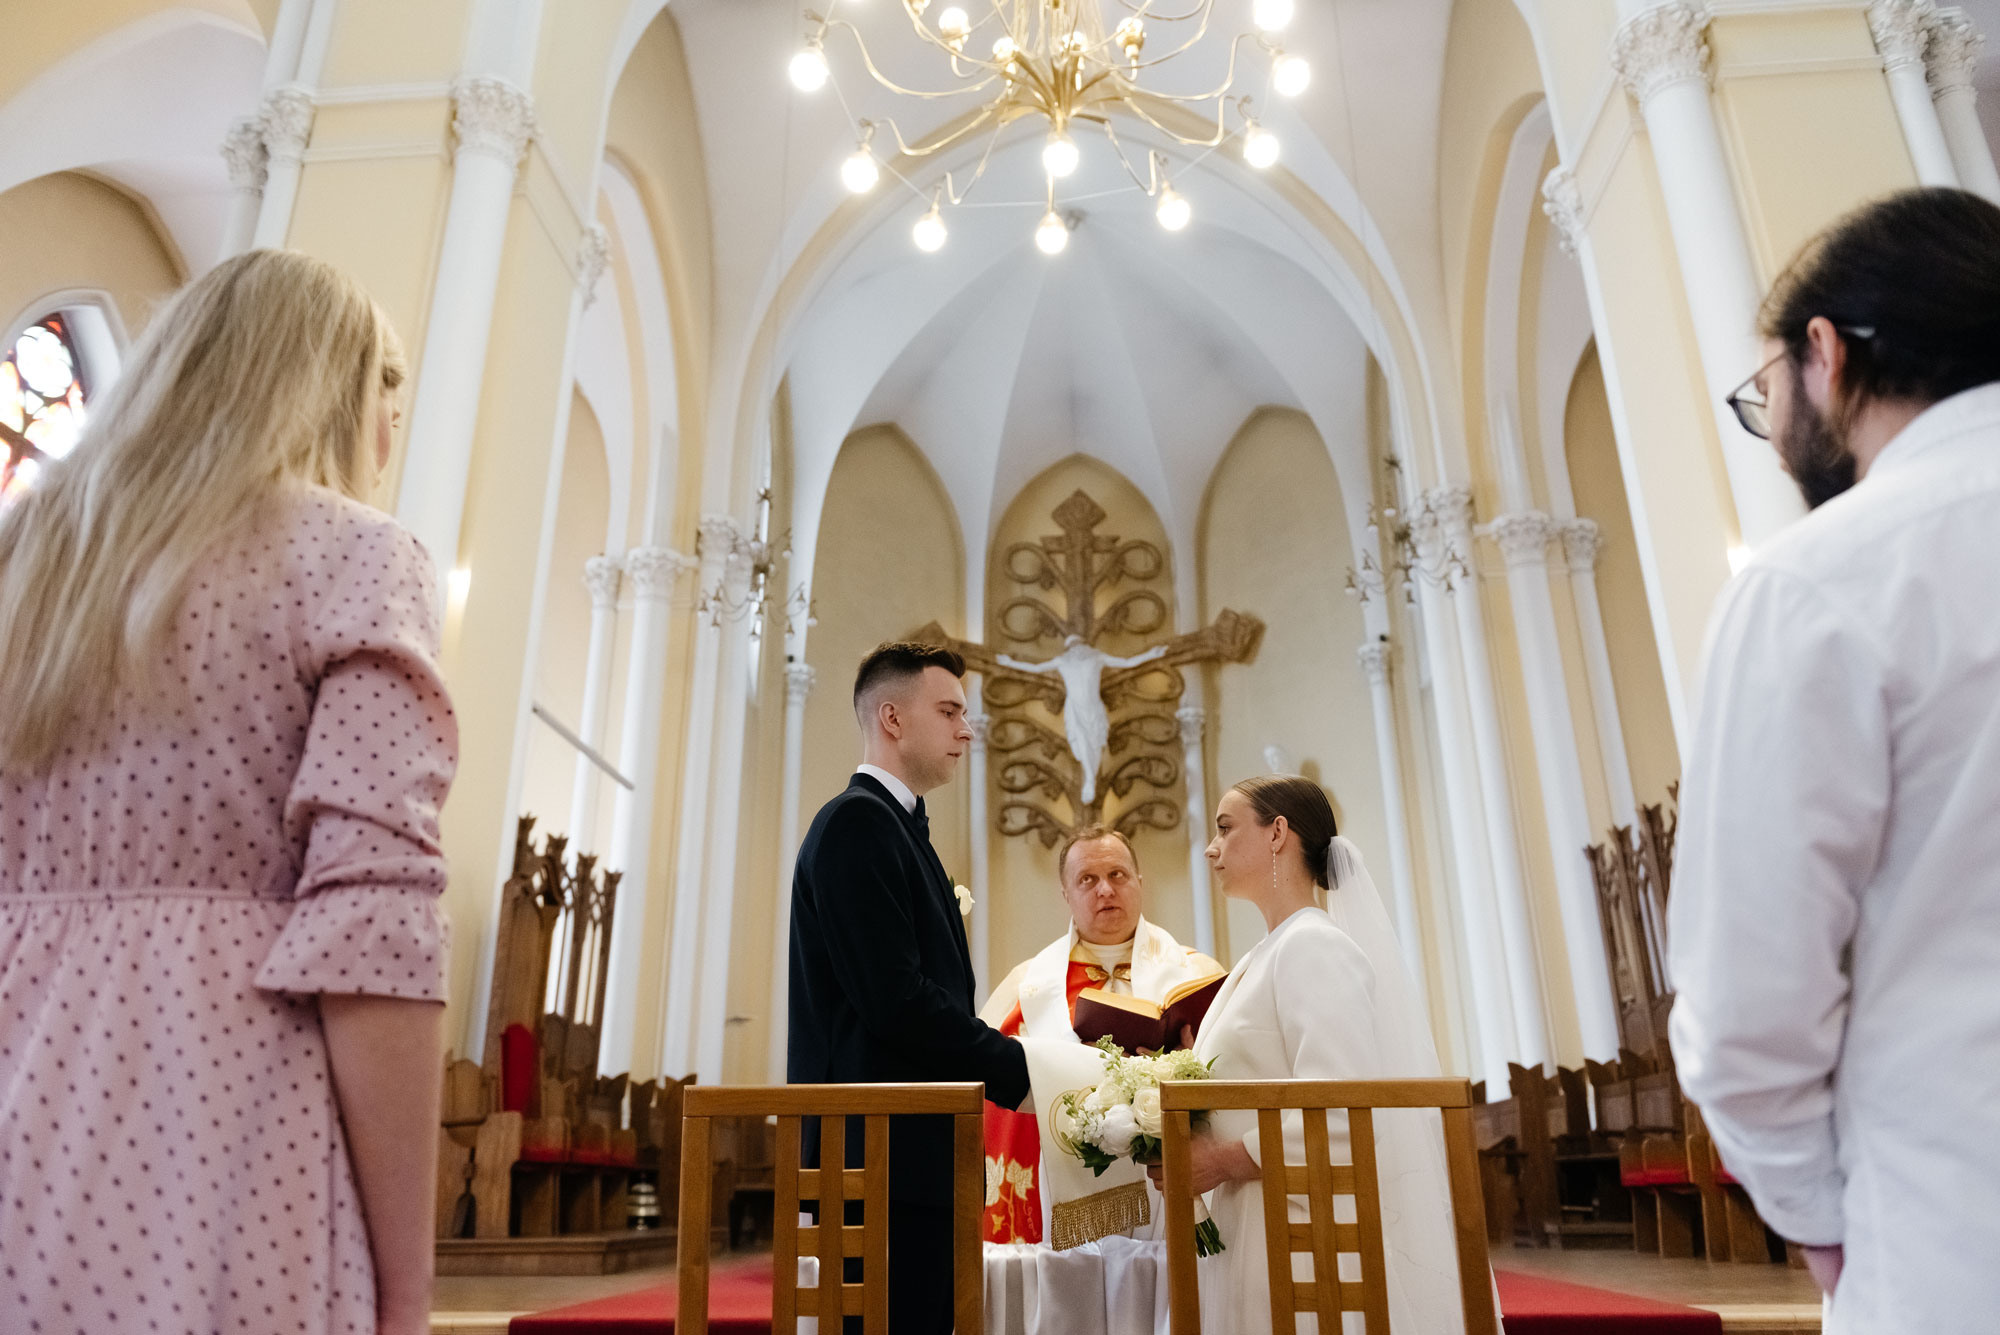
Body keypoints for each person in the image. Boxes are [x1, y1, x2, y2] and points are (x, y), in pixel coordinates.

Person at [0, 249, 456, 1335]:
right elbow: (371, 931)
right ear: (337, 398)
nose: (386, 440)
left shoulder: (22, 557)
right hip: (217, 1102)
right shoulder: (352, 555)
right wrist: (407, 1286)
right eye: (387, 407)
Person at [1668, 187, 2000, 1332]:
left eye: (1763, 392)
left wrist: (1814, 1220)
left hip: (1957, 1227)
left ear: (1826, 353)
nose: (1771, 440)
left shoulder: (1816, 583)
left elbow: (1744, 1006)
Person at [1152, 776, 1474, 1334]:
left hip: (1295, 1236)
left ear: (1277, 833)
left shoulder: (1313, 946)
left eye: (1226, 829)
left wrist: (1222, 1159)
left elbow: (1340, 1110)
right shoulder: (1265, 952)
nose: (1211, 848)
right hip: (1253, 1217)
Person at [788, 640, 1031, 1334]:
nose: (966, 729)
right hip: (876, 1155)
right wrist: (1019, 1069)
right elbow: (895, 999)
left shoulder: (896, 827)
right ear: (892, 718)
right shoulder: (857, 823)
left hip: (912, 1150)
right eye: (950, 711)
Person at [977, 824, 1220, 1244]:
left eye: (1117, 875)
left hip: (1171, 1176)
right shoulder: (1027, 988)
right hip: (1058, 1189)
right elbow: (990, 1092)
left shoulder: (1197, 975)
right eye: (1087, 880)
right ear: (1066, 894)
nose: (1105, 890)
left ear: (1140, 882)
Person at [996, 636, 1166, 804]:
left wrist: (1152, 655)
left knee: (1096, 742)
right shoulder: (1062, 661)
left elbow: (1127, 663)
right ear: (1068, 648)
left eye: (1077, 643)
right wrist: (1009, 663)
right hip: (1075, 708)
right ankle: (1090, 779)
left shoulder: (1097, 657)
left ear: (1083, 644)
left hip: (1093, 707)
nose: (1076, 648)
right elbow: (1036, 668)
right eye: (1072, 645)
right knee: (1082, 740)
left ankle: (1091, 779)